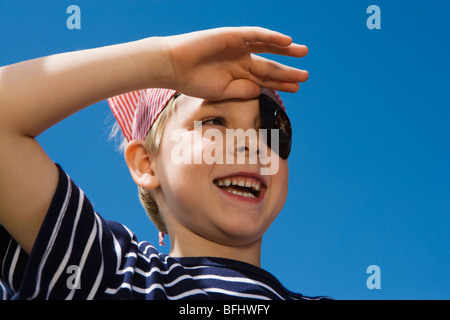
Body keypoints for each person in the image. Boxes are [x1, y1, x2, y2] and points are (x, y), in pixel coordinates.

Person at [0, 27, 327, 299]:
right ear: (146, 163)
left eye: (271, 130)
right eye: (214, 121)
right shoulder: (109, 273)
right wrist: (165, 61)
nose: (250, 143)